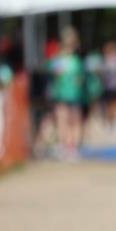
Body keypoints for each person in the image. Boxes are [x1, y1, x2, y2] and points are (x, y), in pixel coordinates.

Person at [47, 26, 85, 160]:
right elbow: (54, 75)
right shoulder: (57, 60)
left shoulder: (76, 61)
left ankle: (72, 147)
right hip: (61, 95)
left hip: (74, 96)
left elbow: (80, 79)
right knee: (62, 120)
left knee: (74, 121)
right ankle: (63, 146)